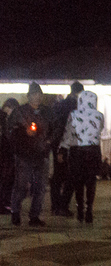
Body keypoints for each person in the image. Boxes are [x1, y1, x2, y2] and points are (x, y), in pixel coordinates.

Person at [10, 84, 51, 226]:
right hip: (24, 154)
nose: (37, 97)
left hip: (41, 153)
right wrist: (24, 132)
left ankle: (34, 215)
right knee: (21, 185)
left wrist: (49, 141)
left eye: (39, 94)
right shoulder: (20, 111)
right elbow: (11, 130)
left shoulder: (46, 112)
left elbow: (54, 128)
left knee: (40, 187)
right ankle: (15, 211)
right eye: (34, 94)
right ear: (29, 96)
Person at [63, 90, 104, 223]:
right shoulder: (99, 115)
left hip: (77, 151)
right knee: (91, 182)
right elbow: (100, 129)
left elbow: (69, 132)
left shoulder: (74, 114)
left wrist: (63, 147)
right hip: (93, 150)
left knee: (78, 182)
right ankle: (89, 209)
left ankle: (80, 208)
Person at [48, 82, 83, 216]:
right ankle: (62, 205)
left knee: (58, 176)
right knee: (72, 176)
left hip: (58, 143)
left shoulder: (59, 105)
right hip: (70, 144)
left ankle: (56, 205)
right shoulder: (75, 106)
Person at [0, 98, 18, 214]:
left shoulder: (7, 119)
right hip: (4, 153)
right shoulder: (3, 118)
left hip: (7, 153)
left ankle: (4, 202)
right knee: (4, 179)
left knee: (6, 179)